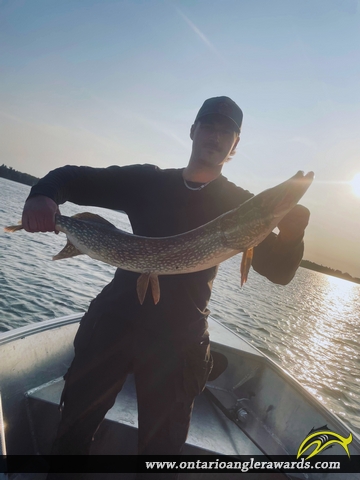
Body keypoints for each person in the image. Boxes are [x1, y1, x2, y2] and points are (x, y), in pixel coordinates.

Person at [22, 97, 310, 469]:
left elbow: (280, 272)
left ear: (235, 145)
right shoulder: (148, 180)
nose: (216, 135)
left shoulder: (241, 206)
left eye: (227, 132)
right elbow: (72, 177)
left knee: (160, 458)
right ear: (193, 130)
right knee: (72, 433)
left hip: (179, 340)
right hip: (113, 323)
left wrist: (290, 238)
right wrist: (43, 193)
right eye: (209, 125)